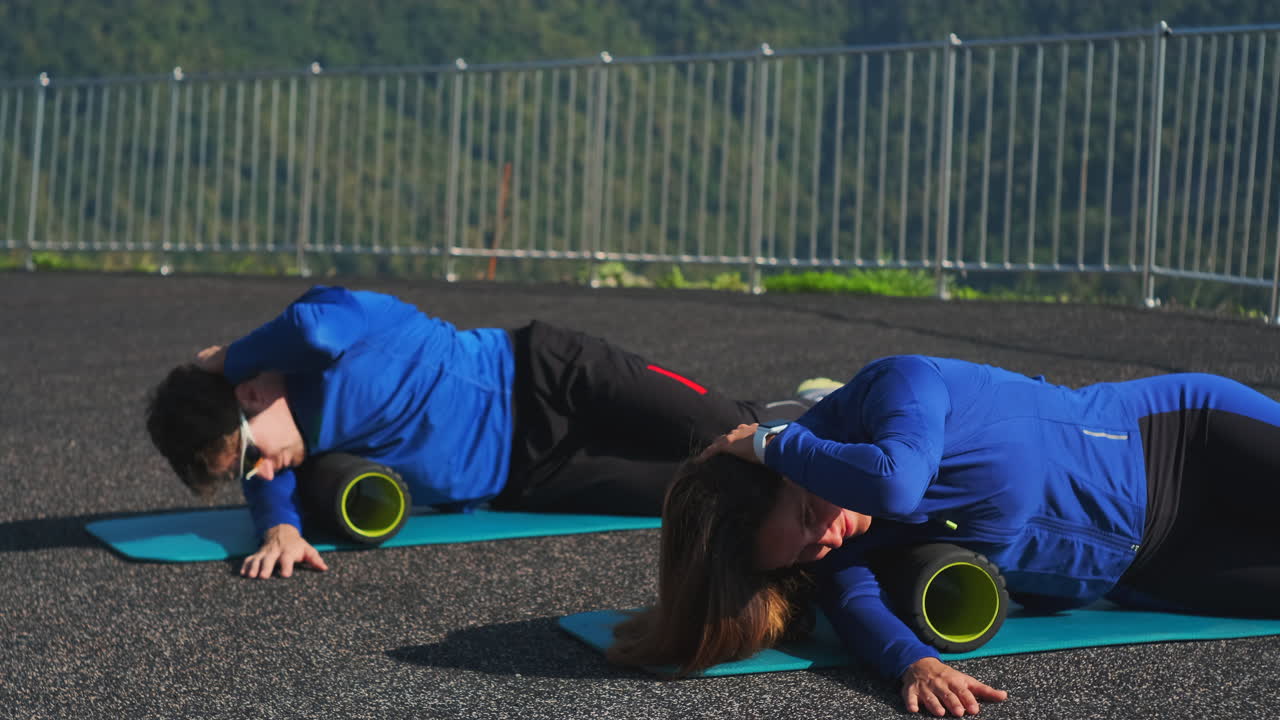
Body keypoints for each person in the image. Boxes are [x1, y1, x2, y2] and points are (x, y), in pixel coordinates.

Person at [608, 354, 1280, 717]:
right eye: (807, 550)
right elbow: (854, 601)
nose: (829, 540)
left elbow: (897, 483)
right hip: (1149, 569)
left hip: (1186, 443)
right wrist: (914, 663)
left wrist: (771, 441)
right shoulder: (840, 538)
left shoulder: (896, 386)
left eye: (812, 516)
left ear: (792, 465)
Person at [145, 285, 831, 581]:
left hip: (549, 375)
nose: (261, 472)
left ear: (252, 392)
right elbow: (274, 486)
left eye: (251, 456)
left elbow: (312, 329)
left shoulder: (334, 329)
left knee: (722, 426)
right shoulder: (294, 451)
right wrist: (278, 528)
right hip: (532, 477)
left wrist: (225, 354)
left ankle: (823, 417)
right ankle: (803, 434)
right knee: (704, 492)